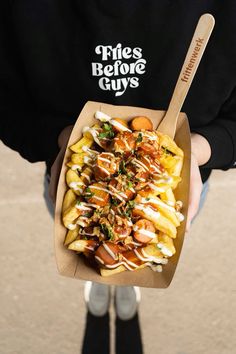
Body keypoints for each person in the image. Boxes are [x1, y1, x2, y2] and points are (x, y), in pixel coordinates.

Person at [1, 1, 236, 354]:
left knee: (143, 250)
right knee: (71, 228)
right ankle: (111, 278)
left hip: (177, 190)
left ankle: (123, 281)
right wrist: (59, 139)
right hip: (69, 177)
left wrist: (201, 149)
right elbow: (7, 103)